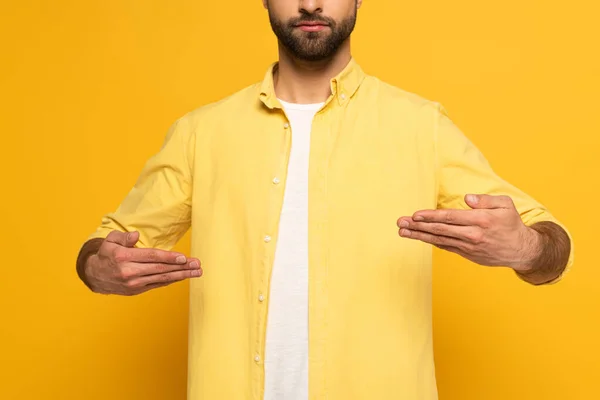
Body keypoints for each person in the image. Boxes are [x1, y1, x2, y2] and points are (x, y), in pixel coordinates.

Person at [75, 0, 574, 399]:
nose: (311, 4)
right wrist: (99, 267)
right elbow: (104, 246)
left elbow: (553, 246)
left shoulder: (421, 125)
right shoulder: (200, 133)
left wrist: (525, 248)